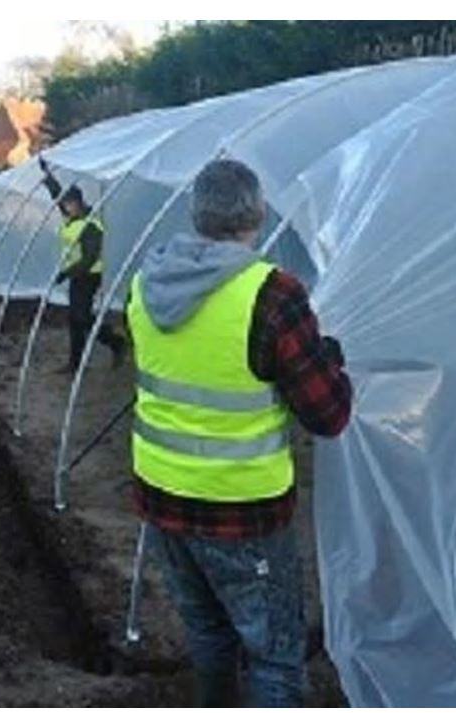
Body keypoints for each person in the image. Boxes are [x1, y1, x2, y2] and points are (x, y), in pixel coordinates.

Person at [126, 159, 352, 706]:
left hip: (160, 499)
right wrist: (328, 362)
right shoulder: (273, 295)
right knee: (274, 654)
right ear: (256, 213)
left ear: (197, 215)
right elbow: (328, 415)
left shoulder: (146, 283)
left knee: (209, 633)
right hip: (241, 510)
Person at [38, 155, 126, 374]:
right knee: (75, 320)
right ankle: (75, 363)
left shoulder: (90, 224)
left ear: (79, 203)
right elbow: (57, 197)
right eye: (65, 205)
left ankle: (115, 341)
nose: (66, 208)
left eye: (70, 204)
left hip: (89, 275)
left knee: (81, 317)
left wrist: (66, 273)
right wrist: (48, 175)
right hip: (77, 275)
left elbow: (89, 257)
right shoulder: (72, 217)